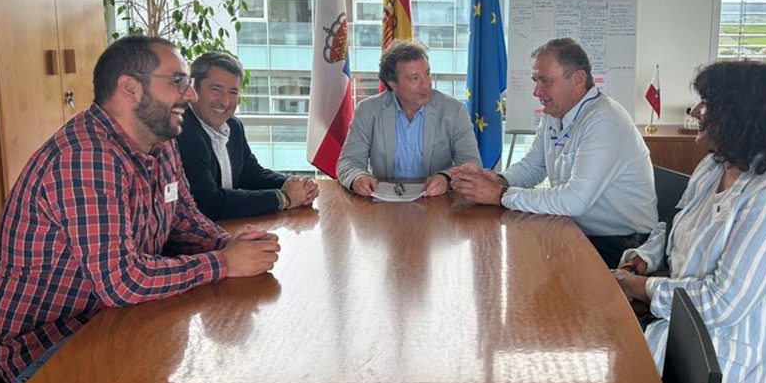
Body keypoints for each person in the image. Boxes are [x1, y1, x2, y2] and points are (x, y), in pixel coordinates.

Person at [0, 36, 281, 383]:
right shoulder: (86, 159)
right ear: (129, 88)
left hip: (117, 318)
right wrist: (225, 262)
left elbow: (183, 218)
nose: (191, 95)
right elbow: (122, 281)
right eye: (178, 81)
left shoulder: (161, 141)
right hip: (46, 347)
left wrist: (230, 242)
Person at [612, 60, 766, 383]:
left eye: (708, 104)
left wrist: (637, 286)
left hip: (730, 365)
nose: (695, 111)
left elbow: (721, 304)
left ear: (739, 116)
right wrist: (645, 257)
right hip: (679, 333)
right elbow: (674, 226)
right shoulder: (714, 165)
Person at [451, 38, 658, 268]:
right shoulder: (555, 112)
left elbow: (574, 200)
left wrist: (499, 194)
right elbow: (534, 165)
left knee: (521, 268)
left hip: (621, 246)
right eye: (535, 81)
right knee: (503, 256)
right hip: (577, 230)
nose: (536, 91)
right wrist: (498, 180)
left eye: (545, 81)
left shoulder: (604, 119)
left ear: (578, 80)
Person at [176, 51, 318, 220]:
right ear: (193, 88)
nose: (225, 101)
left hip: (229, 228)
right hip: (196, 238)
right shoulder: (181, 131)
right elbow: (209, 203)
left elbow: (249, 174)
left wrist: (292, 185)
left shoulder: (233, 125)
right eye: (216, 89)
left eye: (233, 92)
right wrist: (284, 198)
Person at [337, 40, 481, 197]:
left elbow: (471, 163)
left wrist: (446, 178)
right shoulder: (368, 110)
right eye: (415, 78)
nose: (426, 84)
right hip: (384, 204)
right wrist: (357, 177)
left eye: (427, 74)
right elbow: (348, 161)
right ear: (393, 84)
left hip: (438, 203)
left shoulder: (454, 110)